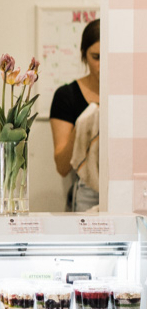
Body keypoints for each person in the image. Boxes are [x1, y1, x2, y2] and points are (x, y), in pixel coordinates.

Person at [49, 18, 100, 211]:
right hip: (84, 196)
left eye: (108, 58)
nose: (102, 66)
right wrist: (82, 126)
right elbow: (62, 167)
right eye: (96, 57)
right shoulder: (67, 96)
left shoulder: (129, 97)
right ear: (84, 55)